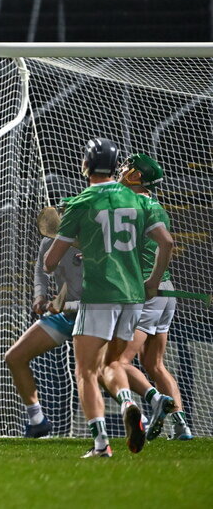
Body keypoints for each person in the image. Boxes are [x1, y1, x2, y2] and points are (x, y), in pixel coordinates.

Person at [44, 138, 174, 458]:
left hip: (100, 295)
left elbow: (49, 263)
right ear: (117, 167)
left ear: (85, 165)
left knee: (86, 371)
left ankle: (101, 444)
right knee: (113, 363)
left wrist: (78, 242)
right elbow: (167, 243)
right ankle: (130, 403)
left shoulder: (82, 201)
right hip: (134, 296)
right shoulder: (139, 199)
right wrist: (153, 280)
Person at [115, 153, 193, 441]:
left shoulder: (136, 205)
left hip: (149, 292)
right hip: (165, 292)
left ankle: (154, 403)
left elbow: (167, 243)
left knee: (119, 361)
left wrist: (151, 281)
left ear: (136, 177)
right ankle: (182, 427)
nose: (122, 170)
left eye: (128, 168)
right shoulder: (150, 205)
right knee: (154, 364)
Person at [4, 202, 83, 437]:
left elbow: (98, 296)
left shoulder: (95, 245)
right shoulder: (50, 243)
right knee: (15, 356)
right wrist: (39, 297)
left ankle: (145, 411)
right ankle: (37, 420)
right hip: (64, 315)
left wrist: (63, 304)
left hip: (91, 315)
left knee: (101, 372)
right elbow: (41, 272)